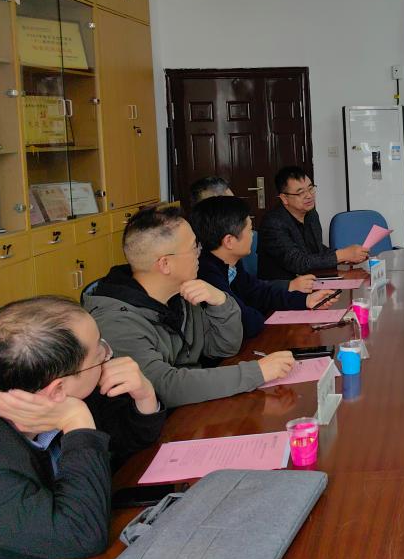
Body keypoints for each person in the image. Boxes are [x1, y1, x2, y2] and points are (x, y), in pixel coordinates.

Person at [0, 296, 166, 559]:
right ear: (58, 389)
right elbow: (80, 534)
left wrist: (144, 395)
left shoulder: (59, 383)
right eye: (98, 353)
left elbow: (128, 443)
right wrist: (76, 421)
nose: (107, 353)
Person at [84, 206, 295, 408]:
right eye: (194, 247)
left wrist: (221, 302)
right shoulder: (116, 321)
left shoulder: (180, 295)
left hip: (192, 410)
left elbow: (223, 347)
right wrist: (257, 372)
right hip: (159, 425)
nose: (199, 254)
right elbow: (165, 387)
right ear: (165, 264)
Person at [190, 195, 340, 340]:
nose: (253, 235)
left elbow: (260, 293)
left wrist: (306, 300)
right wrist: (258, 315)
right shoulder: (207, 273)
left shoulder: (230, 263)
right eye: (249, 230)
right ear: (229, 241)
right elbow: (247, 322)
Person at [257, 165, 369, 280]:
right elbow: (298, 262)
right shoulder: (272, 224)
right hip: (284, 286)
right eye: (301, 192)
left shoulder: (311, 214)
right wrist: (341, 255)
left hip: (312, 280)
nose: (309, 196)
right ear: (284, 198)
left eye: (310, 188)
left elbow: (317, 250)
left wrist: (346, 258)